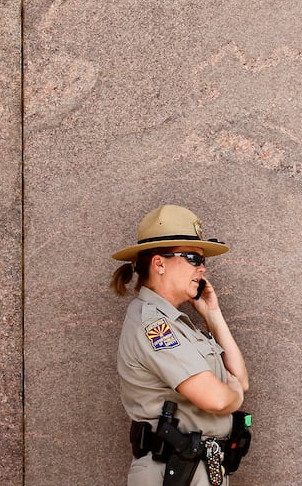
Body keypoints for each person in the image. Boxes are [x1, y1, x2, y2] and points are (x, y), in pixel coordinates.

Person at [111, 205, 251, 486]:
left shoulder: (178, 323)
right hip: (173, 471)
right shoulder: (154, 326)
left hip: (197, 469)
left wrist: (213, 316)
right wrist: (233, 395)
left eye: (202, 260)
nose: (201, 268)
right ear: (159, 263)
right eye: (192, 258)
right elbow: (218, 399)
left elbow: (241, 379)